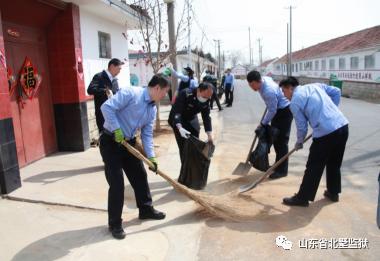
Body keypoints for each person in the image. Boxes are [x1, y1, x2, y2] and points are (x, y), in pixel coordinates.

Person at [100, 74, 170, 239]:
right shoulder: (131, 93)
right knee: (117, 184)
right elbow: (106, 107)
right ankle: (115, 223)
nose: (164, 96)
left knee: (140, 175)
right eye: (164, 92)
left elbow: (146, 134)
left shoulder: (152, 108)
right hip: (111, 142)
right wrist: (116, 128)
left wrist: (151, 157)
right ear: (157, 88)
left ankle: (146, 209)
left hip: (128, 143)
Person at [279, 77, 349, 207]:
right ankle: (333, 193)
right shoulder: (315, 86)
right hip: (342, 126)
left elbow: (302, 126)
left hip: (325, 133)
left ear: (290, 88)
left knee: (314, 166)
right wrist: (331, 112)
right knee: (334, 163)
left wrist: (299, 142)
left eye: (284, 91)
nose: (284, 95)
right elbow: (336, 91)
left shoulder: (294, 102)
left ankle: (302, 198)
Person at [246, 71, 293, 179]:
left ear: (258, 81)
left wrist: (262, 124)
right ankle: (278, 165)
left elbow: (272, 110)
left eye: (252, 84)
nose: (251, 87)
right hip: (278, 110)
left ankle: (282, 171)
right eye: (249, 85)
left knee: (281, 142)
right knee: (276, 140)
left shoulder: (268, 91)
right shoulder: (265, 80)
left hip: (284, 112)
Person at [168, 82, 214, 164]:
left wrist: (209, 134)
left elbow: (206, 117)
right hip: (178, 118)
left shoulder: (207, 98)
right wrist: (179, 127)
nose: (206, 99)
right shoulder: (185, 93)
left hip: (191, 117)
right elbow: (177, 112)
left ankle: (194, 166)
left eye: (208, 97)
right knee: (184, 146)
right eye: (204, 96)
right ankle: (185, 171)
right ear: (199, 90)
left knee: (195, 143)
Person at [87, 58, 124, 133]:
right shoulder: (99, 76)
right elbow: (90, 90)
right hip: (102, 116)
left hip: (114, 115)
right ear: (112, 66)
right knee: (105, 139)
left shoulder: (115, 80)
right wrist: (104, 91)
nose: (119, 72)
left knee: (115, 140)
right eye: (119, 69)